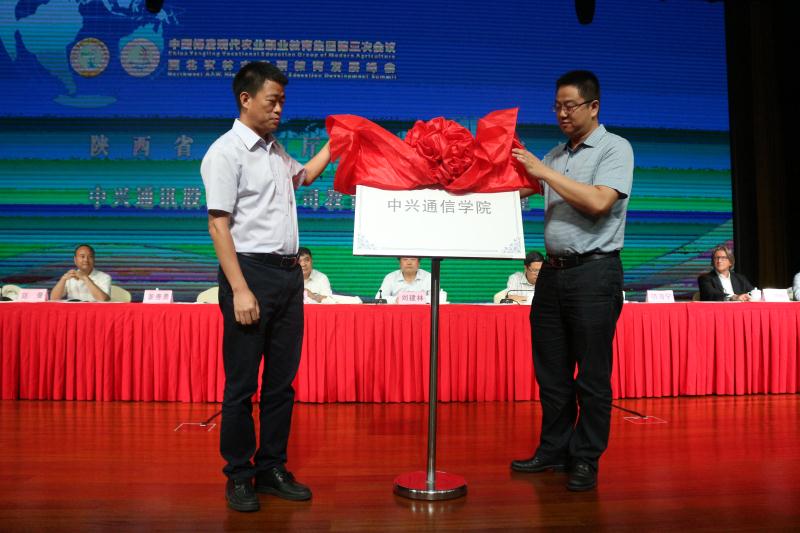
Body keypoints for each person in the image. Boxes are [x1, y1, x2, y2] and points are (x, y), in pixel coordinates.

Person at [201, 61, 331, 513]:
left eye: (282, 102)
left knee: (281, 383)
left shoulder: (276, 151)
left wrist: (337, 143)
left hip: (288, 276)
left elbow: (305, 176)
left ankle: (272, 467)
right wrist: (239, 289)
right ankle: (239, 474)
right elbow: (218, 225)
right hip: (250, 273)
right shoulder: (226, 152)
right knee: (242, 384)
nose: (279, 109)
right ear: (246, 99)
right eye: (272, 101)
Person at [509, 70, 634, 492]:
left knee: (592, 377)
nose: (562, 114)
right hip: (552, 274)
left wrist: (544, 173)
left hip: (594, 273)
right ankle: (554, 449)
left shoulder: (615, 148)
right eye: (557, 107)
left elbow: (599, 201)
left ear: (593, 106)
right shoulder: (554, 155)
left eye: (570, 106)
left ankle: (585, 458)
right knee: (552, 374)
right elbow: (515, 190)